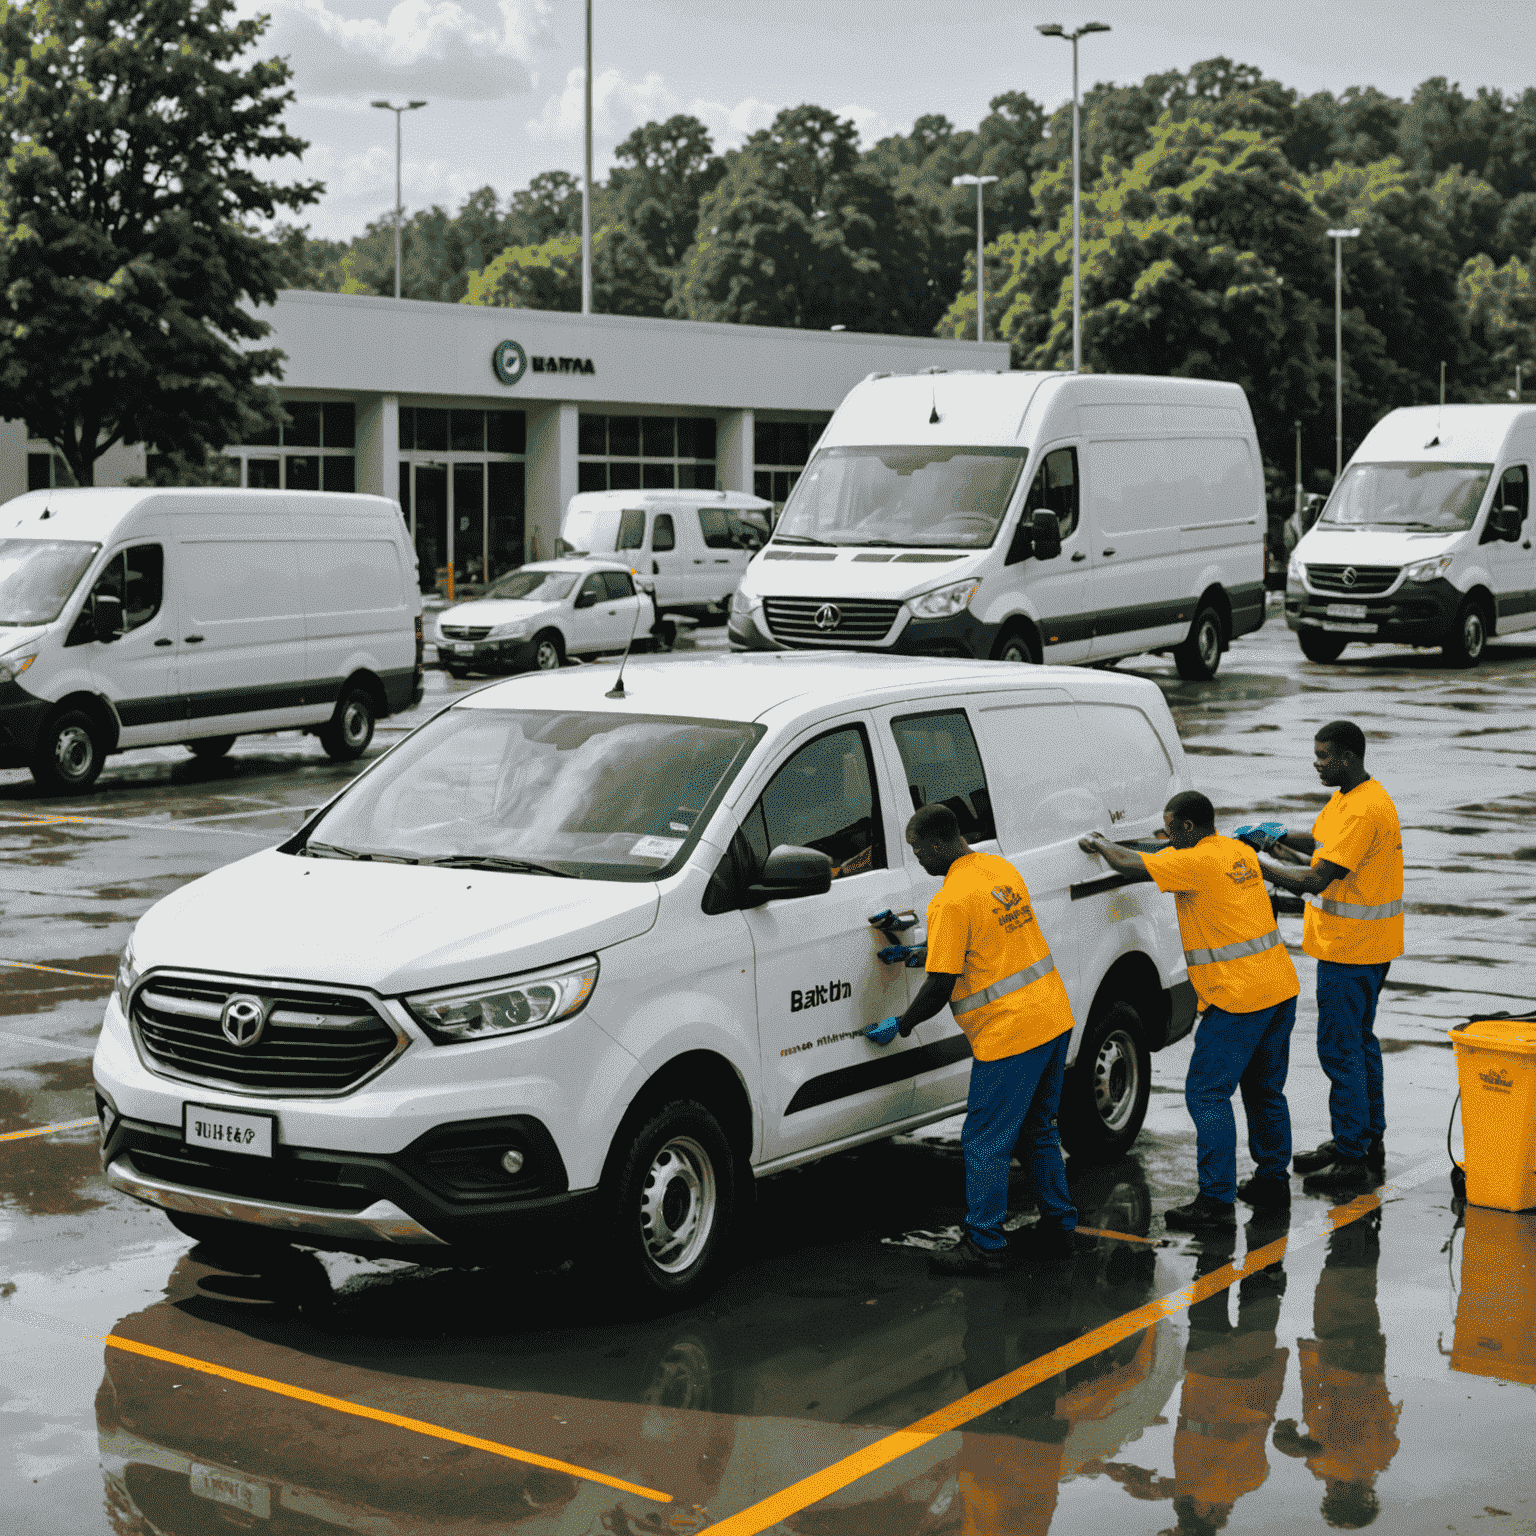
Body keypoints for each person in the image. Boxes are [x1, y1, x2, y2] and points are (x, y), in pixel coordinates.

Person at [868, 802, 1078, 1276]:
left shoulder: (949, 900)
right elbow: (984, 945)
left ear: (940, 842)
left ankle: (984, 1244)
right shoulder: (999, 868)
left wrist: (900, 1025)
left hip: (1011, 1032)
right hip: (1052, 1014)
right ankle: (1059, 1227)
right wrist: (920, 951)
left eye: (919, 849)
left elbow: (942, 985)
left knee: (985, 1138)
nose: (918, 859)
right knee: (1037, 1129)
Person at [1081, 792, 1300, 1230]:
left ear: (1185, 828)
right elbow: (1160, 852)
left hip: (1238, 997)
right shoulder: (1235, 850)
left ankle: (1215, 1202)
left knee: (1208, 1093)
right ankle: (1273, 1180)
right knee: (1264, 1090)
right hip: (1279, 986)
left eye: (1169, 829)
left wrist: (1100, 844)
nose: (1165, 836)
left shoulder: (1193, 863)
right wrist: (1147, 843)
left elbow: (1129, 865)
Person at [1251, 721, 1403, 1198]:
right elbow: (1319, 843)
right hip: (1361, 946)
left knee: (1341, 1051)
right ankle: (1362, 1138)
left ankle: (1352, 1157)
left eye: (1323, 755)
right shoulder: (1348, 798)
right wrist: (1274, 837)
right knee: (1359, 1044)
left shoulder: (1363, 810)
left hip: (1352, 951)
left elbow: (1316, 879)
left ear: (1349, 757)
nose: (1316, 763)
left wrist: (1259, 867)